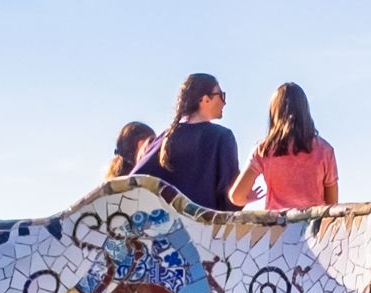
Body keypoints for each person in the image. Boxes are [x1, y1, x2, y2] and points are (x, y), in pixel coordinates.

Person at [133, 73, 240, 212]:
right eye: (221, 95)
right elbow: (228, 202)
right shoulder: (223, 137)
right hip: (205, 230)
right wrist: (242, 198)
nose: (224, 102)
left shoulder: (165, 138)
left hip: (164, 229)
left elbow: (133, 184)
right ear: (205, 99)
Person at [228, 83, 338, 211]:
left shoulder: (264, 149)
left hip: (278, 228)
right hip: (313, 226)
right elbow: (332, 204)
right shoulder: (325, 150)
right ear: (305, 111)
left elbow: (236, 196)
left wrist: (248, 198)